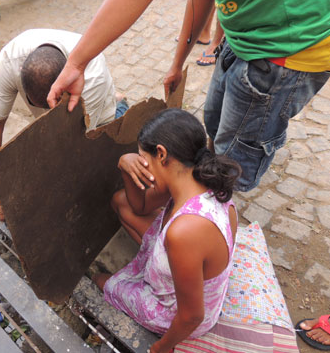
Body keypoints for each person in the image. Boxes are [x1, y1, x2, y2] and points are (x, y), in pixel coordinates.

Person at [47, 0, 330, 192]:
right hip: (246, 35)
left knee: (236, 156)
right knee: (216, 125)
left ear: (162, 155)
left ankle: (220, 203)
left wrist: (77, 61)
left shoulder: (180, 237)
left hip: (288, 50)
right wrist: (177, 63)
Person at [93, 109, 241, 353]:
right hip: (185, 268)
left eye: (143, 158)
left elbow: (192, 316)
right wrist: (124, 164)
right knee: (121, 201)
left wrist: (162, 347)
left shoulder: (184, 233)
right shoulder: (197, 177)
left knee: (102, 281)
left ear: (161, 154)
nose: (141, 165)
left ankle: (126, 288)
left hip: (177, 312)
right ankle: (148, 266)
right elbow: (139, 206)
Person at [0, 29, 128, 220]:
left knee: (93, 162)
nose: (46, 113)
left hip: (97, 113)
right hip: (66, 94)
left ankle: (119, 103)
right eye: (36, 104)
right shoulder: (10, 61)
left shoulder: (92, 77)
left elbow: (69, 148)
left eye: (52, 106)